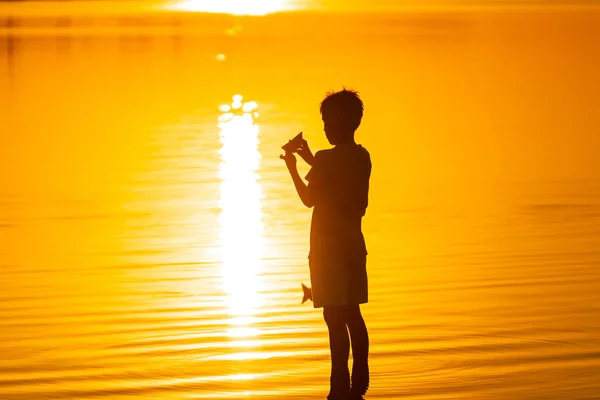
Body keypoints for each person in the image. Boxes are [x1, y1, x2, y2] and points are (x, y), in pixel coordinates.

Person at [280, 89, 371, 399]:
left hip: (327, 251)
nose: (324, 127)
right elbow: (338, 185)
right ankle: (360, 380)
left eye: (326, 121)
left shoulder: (325, 159)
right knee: (352, 314)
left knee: (333, 317)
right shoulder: (362, 157)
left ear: (338, 121)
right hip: (354, 247)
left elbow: (310, 199)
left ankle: (338, 385)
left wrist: (292, 168)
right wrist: (311, 159)